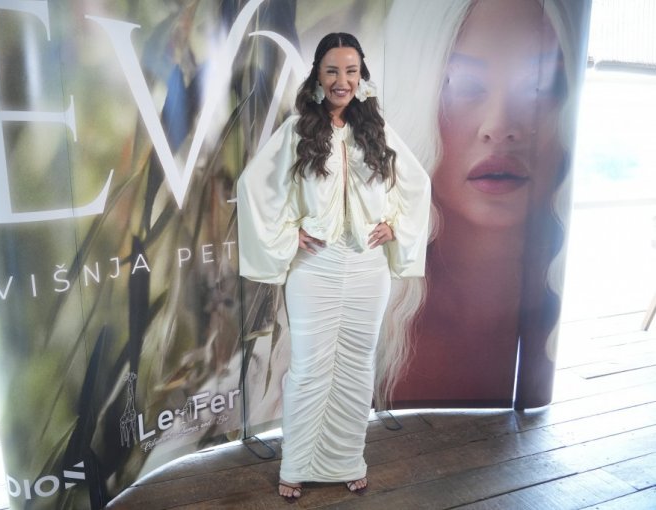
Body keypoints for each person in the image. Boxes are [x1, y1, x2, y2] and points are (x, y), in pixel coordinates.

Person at [236, 33, 430, 500]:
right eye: (332, 71)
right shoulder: (297, 130)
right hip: (315, 267)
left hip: (366, 267)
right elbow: (253, 187)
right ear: (318, 77)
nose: (342, 81)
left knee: (358, 364)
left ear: (362, 76)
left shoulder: (376, 130)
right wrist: (289, 235)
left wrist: (395, 225)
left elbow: (416, 183)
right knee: (308, 367)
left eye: (351, 71)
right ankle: (298, 463)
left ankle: (347, 458)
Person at [379, 0, 587, 408]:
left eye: (539, 87)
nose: (500, 127)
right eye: (463, 85)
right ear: (415, 97)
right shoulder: (370, 322)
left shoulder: (554, 320)